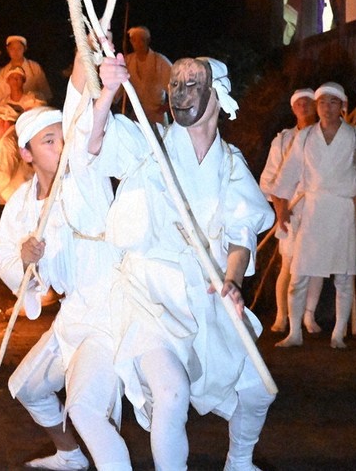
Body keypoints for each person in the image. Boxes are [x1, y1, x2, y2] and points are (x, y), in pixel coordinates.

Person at [90, 54, 275, 471]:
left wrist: (232, 281)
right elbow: (99, 142)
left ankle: (239, 463)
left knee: (257, 389)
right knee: (171, 394)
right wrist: (107, 92)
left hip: (206, 294)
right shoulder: (150, 147)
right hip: (150, 295)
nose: (181, 92)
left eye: (194, 83)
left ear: (218, 94)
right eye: (176, 83)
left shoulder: (229, 163)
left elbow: (241, 231)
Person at [0, 53, 131, 470]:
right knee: (29, 386)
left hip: (108, 312)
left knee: (87, 407)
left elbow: (79, 107)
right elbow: (4, 256)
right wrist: (25, 260)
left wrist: (81, 54)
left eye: (61, 137)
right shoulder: (21, 203)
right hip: (74, 313)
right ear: (28, 153)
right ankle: (70, 455)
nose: (60, 145)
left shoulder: (84, 173)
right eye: (49, 141)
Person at [272, 82, 356, 349]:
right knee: (300, 273)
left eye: (333, 102)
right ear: (317, 107)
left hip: (340, 211)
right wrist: (281, 208)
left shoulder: (354, 136)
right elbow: (288, 174)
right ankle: (294, 333)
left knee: (343, 276)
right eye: (322, 103)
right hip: (313, 210)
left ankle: (338, 335)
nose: (327, 108)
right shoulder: (304, 138)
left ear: (343, 106)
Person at [259, 88, 321, 333]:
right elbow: (270, 179)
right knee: (290, 262)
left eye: (309, 102)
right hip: (291, 208)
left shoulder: (326, 136)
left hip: (317, 207)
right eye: (299, 103)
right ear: (293, 108)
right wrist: (280, 209)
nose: (304, 106)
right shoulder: (283, 140)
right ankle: (282, 316)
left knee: (316, 263)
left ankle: (309, 316)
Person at [114, 26, 172, 124]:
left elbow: (177, 88)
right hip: (138, 115)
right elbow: (117, 89)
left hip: (157, 116)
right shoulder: (128, 61)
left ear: (147, 41)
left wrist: (167, 107)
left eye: (141, 40)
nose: (138, 44)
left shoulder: (160, 62)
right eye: (134, 40)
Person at [0, 65, 46, 155]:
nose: (15, 80)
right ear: (8, 81)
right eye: (12, 78)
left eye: (19, 78)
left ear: (23, 81)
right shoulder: (3, 105)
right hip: (8, 149)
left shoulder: (31, 100)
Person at [0, 35, 52, 111]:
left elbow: (46, 94)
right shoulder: (3, 72)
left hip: (31, 114)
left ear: (25, 49)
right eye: (12, 49)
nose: (16, 52)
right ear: (7, 49)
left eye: (19, 48)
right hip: (9, 115)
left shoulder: (34, 67)